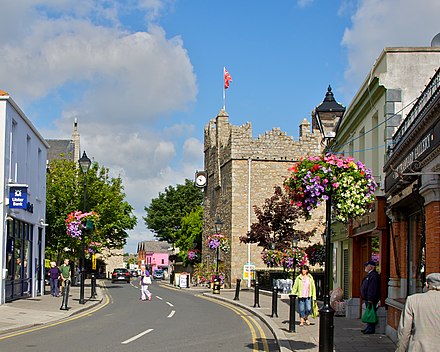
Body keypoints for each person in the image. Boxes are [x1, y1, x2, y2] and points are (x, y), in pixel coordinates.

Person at [396, 273, 440, 351]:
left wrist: (400, 349)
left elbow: (405, 330)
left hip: (419, 347)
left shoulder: (413, 300)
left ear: (427, 284)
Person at [360, 260, 380, 334]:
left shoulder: (373, 276)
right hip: (367, 298)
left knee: (371, 312)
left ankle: (370, 329)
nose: (365, 267)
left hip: (370, 298)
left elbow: (372, 288)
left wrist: (370, 298)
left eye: (367, 266)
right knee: (369, 312)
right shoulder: (369, 275)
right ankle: (368, 327)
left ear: (371, 267)